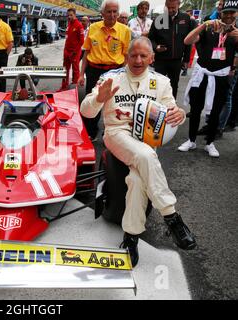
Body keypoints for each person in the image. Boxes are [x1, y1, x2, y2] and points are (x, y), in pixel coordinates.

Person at [80, 37, 197, 266]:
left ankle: (131, 238)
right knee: (145, 156)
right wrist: (99, 98)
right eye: (133, 55)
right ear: (126, 56)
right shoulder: (110, 78)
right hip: (117, 134)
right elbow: (86, 111)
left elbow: (172, 110)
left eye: (144, 56)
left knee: (136, 179)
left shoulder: (161, 82)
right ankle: (171, 216)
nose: (138, 60)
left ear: (152, 58)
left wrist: (180, 115)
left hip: (145, 139)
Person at [178, 1, 238, 158]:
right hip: (202, 74)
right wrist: (204, 25)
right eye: (226, 13)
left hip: (221, 77)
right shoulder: (209, 27)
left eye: (233, 13)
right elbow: (187, 40)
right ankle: (191, 140)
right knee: (196, 108)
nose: (229, 16)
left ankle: (210, 143)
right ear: (220, 13)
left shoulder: (235, 34)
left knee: (216, 111)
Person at [78, 0, 131, 141]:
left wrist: (126, 76)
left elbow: (126, 56)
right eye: (109, 11)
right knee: (93, 101)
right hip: (94, 70)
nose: (112, 15)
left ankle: (110, 133)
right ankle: (91, 131)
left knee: (113, 103)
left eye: (115, 12)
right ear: (102, 13)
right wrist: (81, 74)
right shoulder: (93, 28)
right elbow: (86, 53)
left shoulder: (125, 31)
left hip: (115, 71)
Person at [148, 0, 197, 99]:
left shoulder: (186, 19)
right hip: (160, 60)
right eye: (168, 7)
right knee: (156, 84)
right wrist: (156, 47)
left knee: (173, 85)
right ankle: (155, 103)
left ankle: (171, 106)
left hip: (176, 60)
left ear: (178, 5)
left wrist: (186, 60)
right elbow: (151, 38)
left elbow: (188, 41)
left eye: (173, 8)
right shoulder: (159, 19)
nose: (170, 10)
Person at [60, 8, 84, 90]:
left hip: (75, 52)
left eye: (71, 15)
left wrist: (75, 52)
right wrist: (65, 50)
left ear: (75, 14)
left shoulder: (79, 25)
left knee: (75, 70)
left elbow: (81, 41)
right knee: (64, 70)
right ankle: (64, 86)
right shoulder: (69, 24)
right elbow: (68, 38)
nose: (69, 17)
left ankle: (74, 88)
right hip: (67, 51)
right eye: (68, 15)